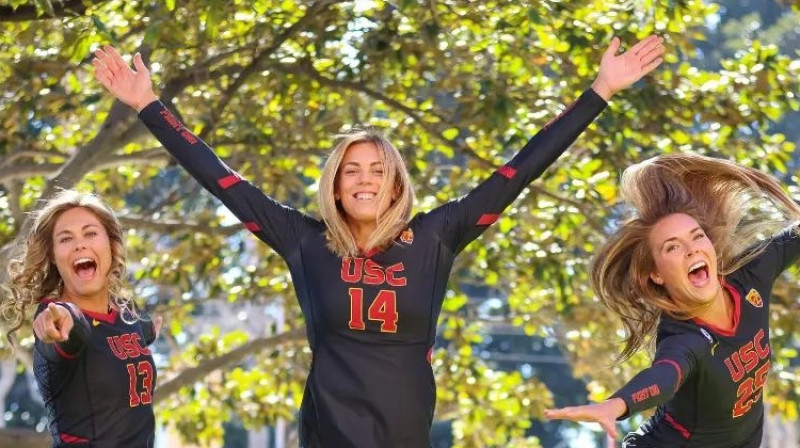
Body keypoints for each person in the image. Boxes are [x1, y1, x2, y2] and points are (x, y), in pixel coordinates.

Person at [93, 35, 664, 448]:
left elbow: (520, 170)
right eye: (351, 170)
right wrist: (148, 105)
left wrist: (600, 91)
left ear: (395, 182)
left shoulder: (438, 235)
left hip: (406, 432)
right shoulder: (303, 240)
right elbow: (220, 180)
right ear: (336, 186)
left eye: (377, 168)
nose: (364, 179)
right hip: (327, 432)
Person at [544, 153, 800, 447]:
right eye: (673, 247)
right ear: (655, 274)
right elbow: (663, 378)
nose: (691, 250)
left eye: (697, 236)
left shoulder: (749, 280)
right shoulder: (685, 338)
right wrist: (615, 405)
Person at [2, 190, 161, 448]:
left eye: (90, 233)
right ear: (53, 256)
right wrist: (58, 324)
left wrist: (149, 331)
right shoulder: (56, 316)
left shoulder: (126, 316)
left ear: (110, 243)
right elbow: (73, 332)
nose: (80, 244)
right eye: (66, 238)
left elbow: (135, 328)